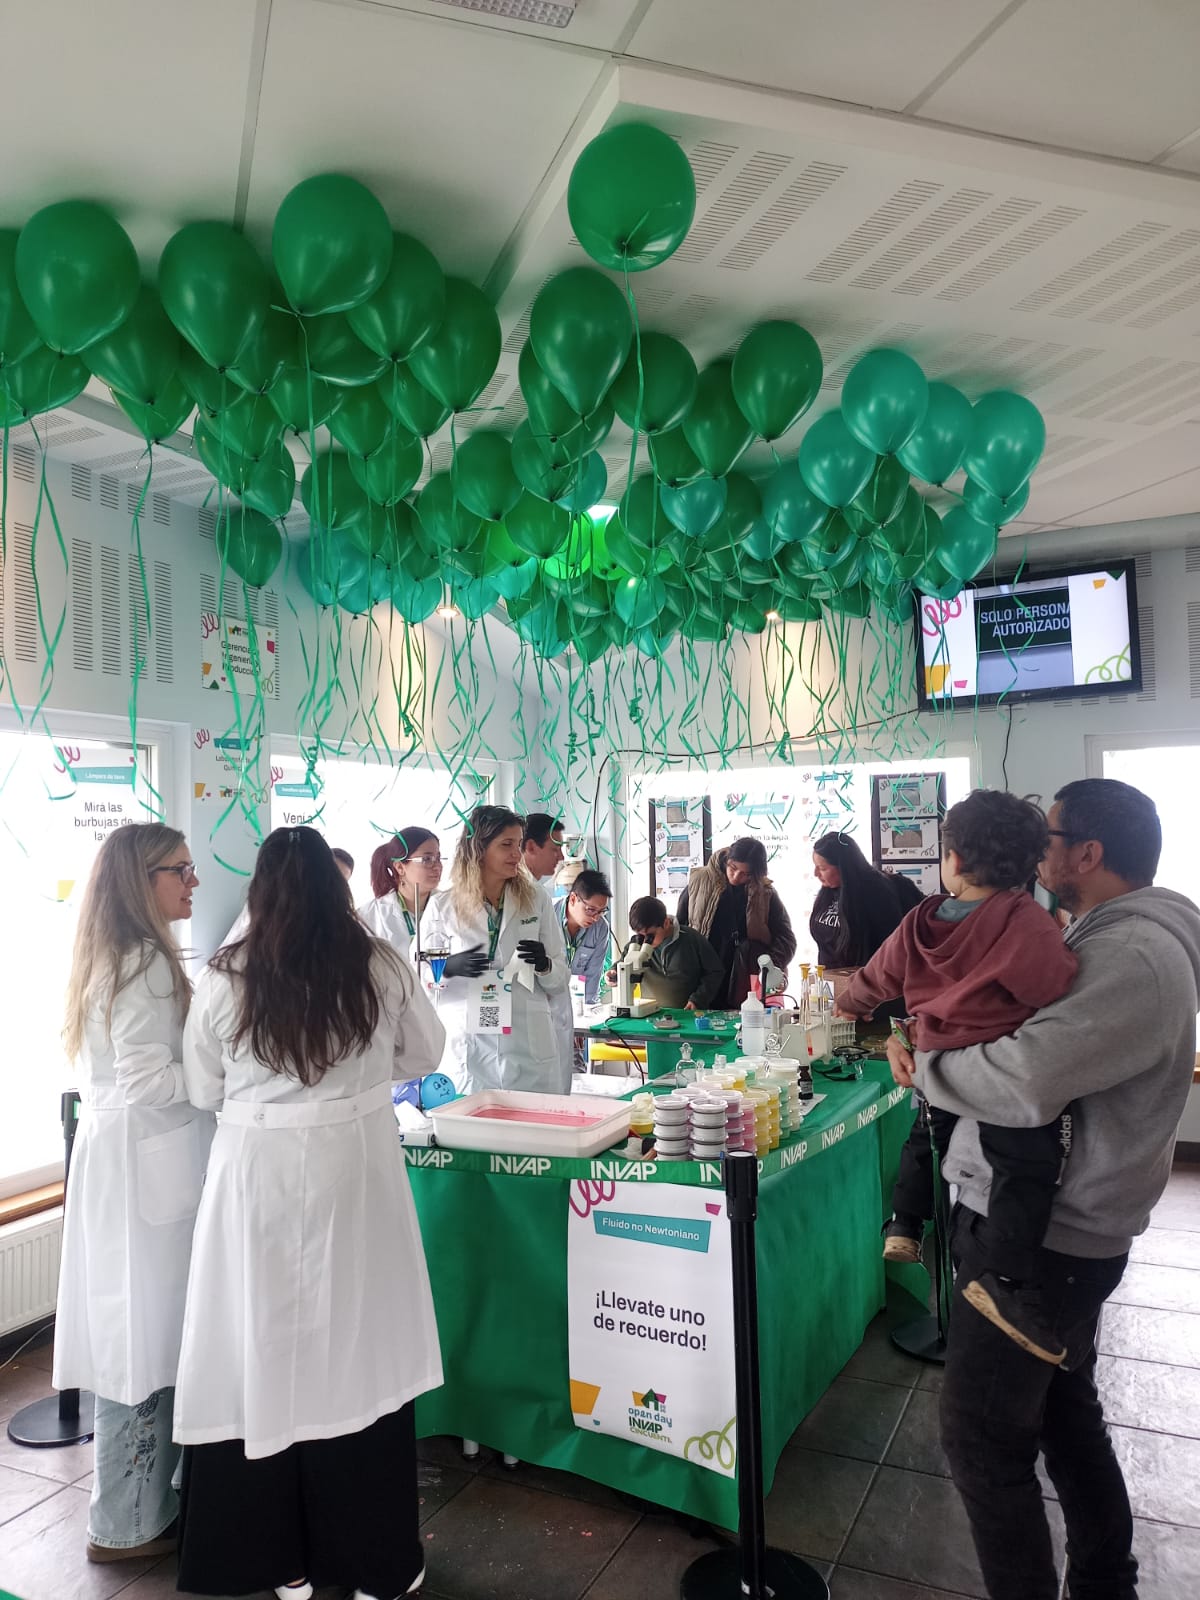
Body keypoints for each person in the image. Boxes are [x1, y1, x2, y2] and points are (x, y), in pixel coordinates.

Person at [887, 779, 1200, 1600]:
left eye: (1048, 837)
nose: (1034, 852)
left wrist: (926, 1062)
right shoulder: (1093, 935)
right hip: (1046, 1225)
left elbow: (1025, 1078)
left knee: (983, 1444)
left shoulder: (1133, 955)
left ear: (1087, 854)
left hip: (1046, 1240)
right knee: (1065, 1417)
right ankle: (1104, 1580)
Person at [173, 826, 445, 1600]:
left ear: (259, 889)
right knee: (360, 1347)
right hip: (355, 1168)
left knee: (258, 1344)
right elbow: (425, 1053)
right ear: (336, 885)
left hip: (255, 1171)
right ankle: (373, 1562)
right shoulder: (380, 964)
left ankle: (282, 1562)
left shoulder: (227, 974)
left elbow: (203, 1086)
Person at [838, 790, 1079, 1362]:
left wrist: (849, 1004)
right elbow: (1050, 985)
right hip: (993, 1076)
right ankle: (1007, 1281)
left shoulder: (920, 920)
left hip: (932, 1062)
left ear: (955, 860)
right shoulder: (1023, 918)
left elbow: (875, 978)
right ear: (1030, 863)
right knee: (1027, 1166)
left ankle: (904, 1224)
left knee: (924, 1139)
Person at [54, 824, 214, 1564]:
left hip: (129, 1161)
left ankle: (139, 1510)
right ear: (140, 879)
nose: (193, 881)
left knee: (137, 1335)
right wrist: (222, 1074)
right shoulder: (145, 961)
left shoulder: (119, 952)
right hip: (145, 1165)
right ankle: (126, 1524)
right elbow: (150, 1078)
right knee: (143, 1343)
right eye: (180, 869)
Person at [419, 804, 568, 1093]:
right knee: (472, 1117)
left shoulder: (536, 898)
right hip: (470, 1049)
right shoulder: (442, 906)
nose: (516, 854)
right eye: (506, 845)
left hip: (526, 1047)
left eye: (518, 844)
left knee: (531, 1118)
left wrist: (545, 965)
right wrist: (446, 968)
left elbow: (560, 978)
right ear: (478, 849)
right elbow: (419, 981)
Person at [810, 831, 924, 1009]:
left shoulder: (876, 892)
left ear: (844, 867)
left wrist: (862, 994)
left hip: (870, 996)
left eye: (823, 868)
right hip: (833, 988)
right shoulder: (828, 892)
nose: (816, 873)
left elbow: (890, 949)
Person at [677, 837, 797, 1007]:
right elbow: (680, 928)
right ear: (727, 859)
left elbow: (786, 939)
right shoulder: (700, 881)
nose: (736, 876)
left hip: (746, 978)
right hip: (704, 977)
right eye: (733, 868)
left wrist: (770, 966)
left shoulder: (764, 893)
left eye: (746, 874)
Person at [222, 843, 354, 946]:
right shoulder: (270, 903)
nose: (333, 887)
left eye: (341, 883)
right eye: (331, 878)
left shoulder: (341, 924)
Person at [551, 869, 613, 1076]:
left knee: (574, 1069)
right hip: (544, 1004)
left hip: (574, 1007)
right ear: (573, 899)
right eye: (591, 910)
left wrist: (584, 1020)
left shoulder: (600, 928)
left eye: (602, 911)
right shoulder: (546, 917)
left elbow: (593, 976)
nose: (595, 917)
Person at [358, 827, 443, 964]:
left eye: (438, 858)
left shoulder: (452, 907)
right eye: (427, 859)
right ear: (400, 867)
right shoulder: (370, 916)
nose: (437, 866)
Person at [624, 896, 725, 1010]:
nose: (644, 941)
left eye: (650, 936)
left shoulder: (691, 938)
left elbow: (715, 972)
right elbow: (624, 964)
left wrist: (698, 999)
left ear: (666, 923)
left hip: (687, 1013)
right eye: (640, 935)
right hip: (650, 1013)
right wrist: (613, 973)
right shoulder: (637, 945)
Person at [521, 813, 565, 882]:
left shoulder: (533, 886)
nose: (561, 857)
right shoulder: (511, 887)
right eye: (555, 849)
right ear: (531, 847)